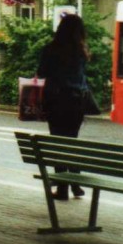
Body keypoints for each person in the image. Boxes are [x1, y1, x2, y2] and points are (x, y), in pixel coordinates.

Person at [37, 13, 90, 200]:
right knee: (71, 142)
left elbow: (41, 72)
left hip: (56, 101)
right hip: (77, 102)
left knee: (58, 144)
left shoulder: (51, 49)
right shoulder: (81, 51)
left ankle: (62, 188)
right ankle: (75, 184)